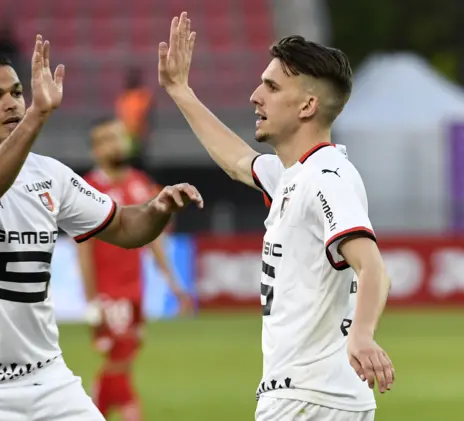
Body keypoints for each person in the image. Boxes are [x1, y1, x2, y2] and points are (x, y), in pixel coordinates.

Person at [0, 35, 203, 421]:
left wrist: (156, 209)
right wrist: (36, 116)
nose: (11, 103)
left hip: (47, 379)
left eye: (17, 93)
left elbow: (123, 225)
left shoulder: (50, 175)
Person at [158, 12, 394, 421]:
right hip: (312, 396)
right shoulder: (295, 175)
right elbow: (236, 161)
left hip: (309, 400)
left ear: (307, 105)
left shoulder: (327, 178)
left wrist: (362, 334)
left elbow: (372, 266)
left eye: (271, 86)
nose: (255, 95)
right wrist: (181, 91)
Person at [77, 116, 193, 421]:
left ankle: (92, 411)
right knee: (119, 361)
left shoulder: (140, 183)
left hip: (135, 291)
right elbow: (83, 251)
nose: (115, 144)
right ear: (95, 150)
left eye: (118, 137)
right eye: (106, 139)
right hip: (109, 293)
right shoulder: (89, 189)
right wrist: (91, 301)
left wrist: (175, 286)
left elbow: (155, 242)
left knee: (122, 362)